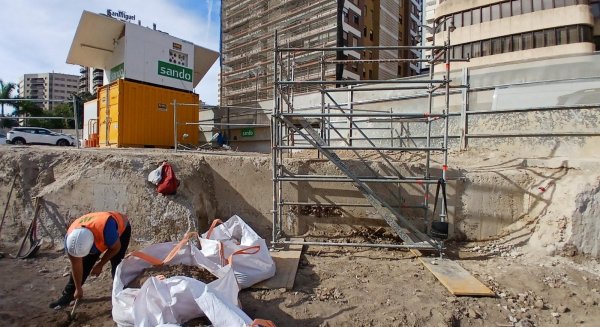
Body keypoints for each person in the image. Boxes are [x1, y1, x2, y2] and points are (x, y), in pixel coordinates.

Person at [49, 211, 131, 309]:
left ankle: (121, 293)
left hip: (121, 226)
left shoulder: (107, 231)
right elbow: (76, 265)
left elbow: (115, 248)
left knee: (117, 263)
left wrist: (100, 265)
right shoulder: (70, 241)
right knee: (86, 263)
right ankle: (69, 294)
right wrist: (78, 288)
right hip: (94, 231)